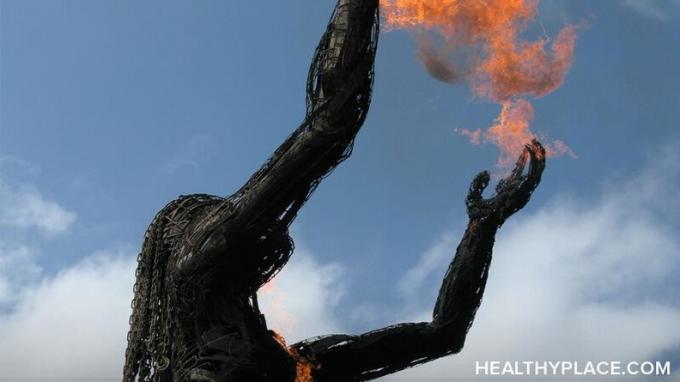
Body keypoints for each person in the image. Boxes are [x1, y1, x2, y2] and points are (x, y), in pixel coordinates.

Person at [123, 1, 546, 381]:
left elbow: (443, 335)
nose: (230, 220)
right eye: (206, 218)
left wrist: (481, 229)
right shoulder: (195, 267)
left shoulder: (296, 364)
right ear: (175, 248)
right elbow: (332, 122)